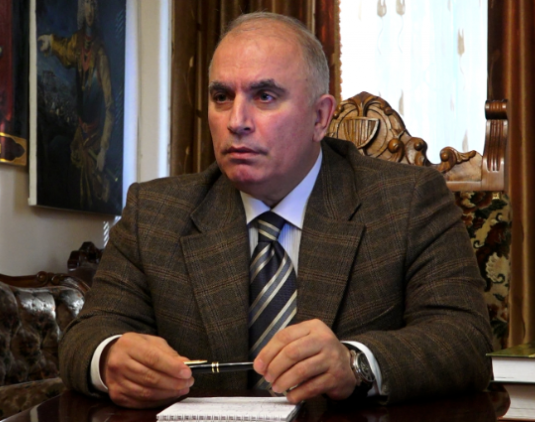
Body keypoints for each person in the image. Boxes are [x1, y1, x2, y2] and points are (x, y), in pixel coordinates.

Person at [59, 12, 492, 409]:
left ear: (320, 117)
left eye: (264, 96)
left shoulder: (407, 201)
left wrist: (355, 363)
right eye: (221, 96)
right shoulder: (154, 212)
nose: (236, 121)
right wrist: (109, 358)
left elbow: (467, 340)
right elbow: (85, 339)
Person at [38, 0, 115, 207]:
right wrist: (51, 42)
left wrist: (103, 150)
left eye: (93, 6)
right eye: (86, 5)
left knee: (92, 195)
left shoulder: (101, 56)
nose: (90, 11)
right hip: (79, 137)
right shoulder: (78, 42)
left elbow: (110, 108)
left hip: (94, 140)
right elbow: (66, 50)